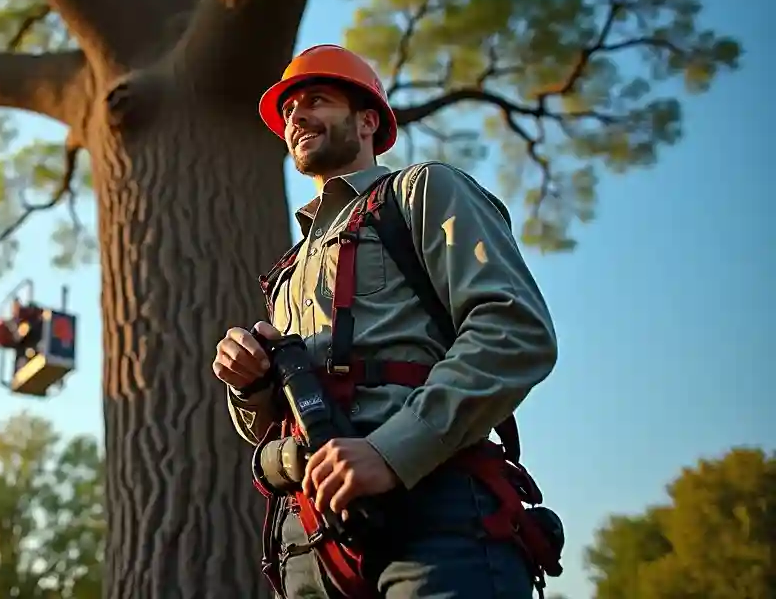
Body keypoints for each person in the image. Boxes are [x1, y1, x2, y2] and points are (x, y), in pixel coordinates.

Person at [213, 44, 559, 599]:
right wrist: (250, 386)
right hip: (308, 547)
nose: (295, 118)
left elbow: (515, 330)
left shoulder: (422, 191)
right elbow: (265, 425)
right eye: (289, 112)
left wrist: (392, 452)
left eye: (316, 100)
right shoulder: (287, 271)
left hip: (435, 516)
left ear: (368, 120)